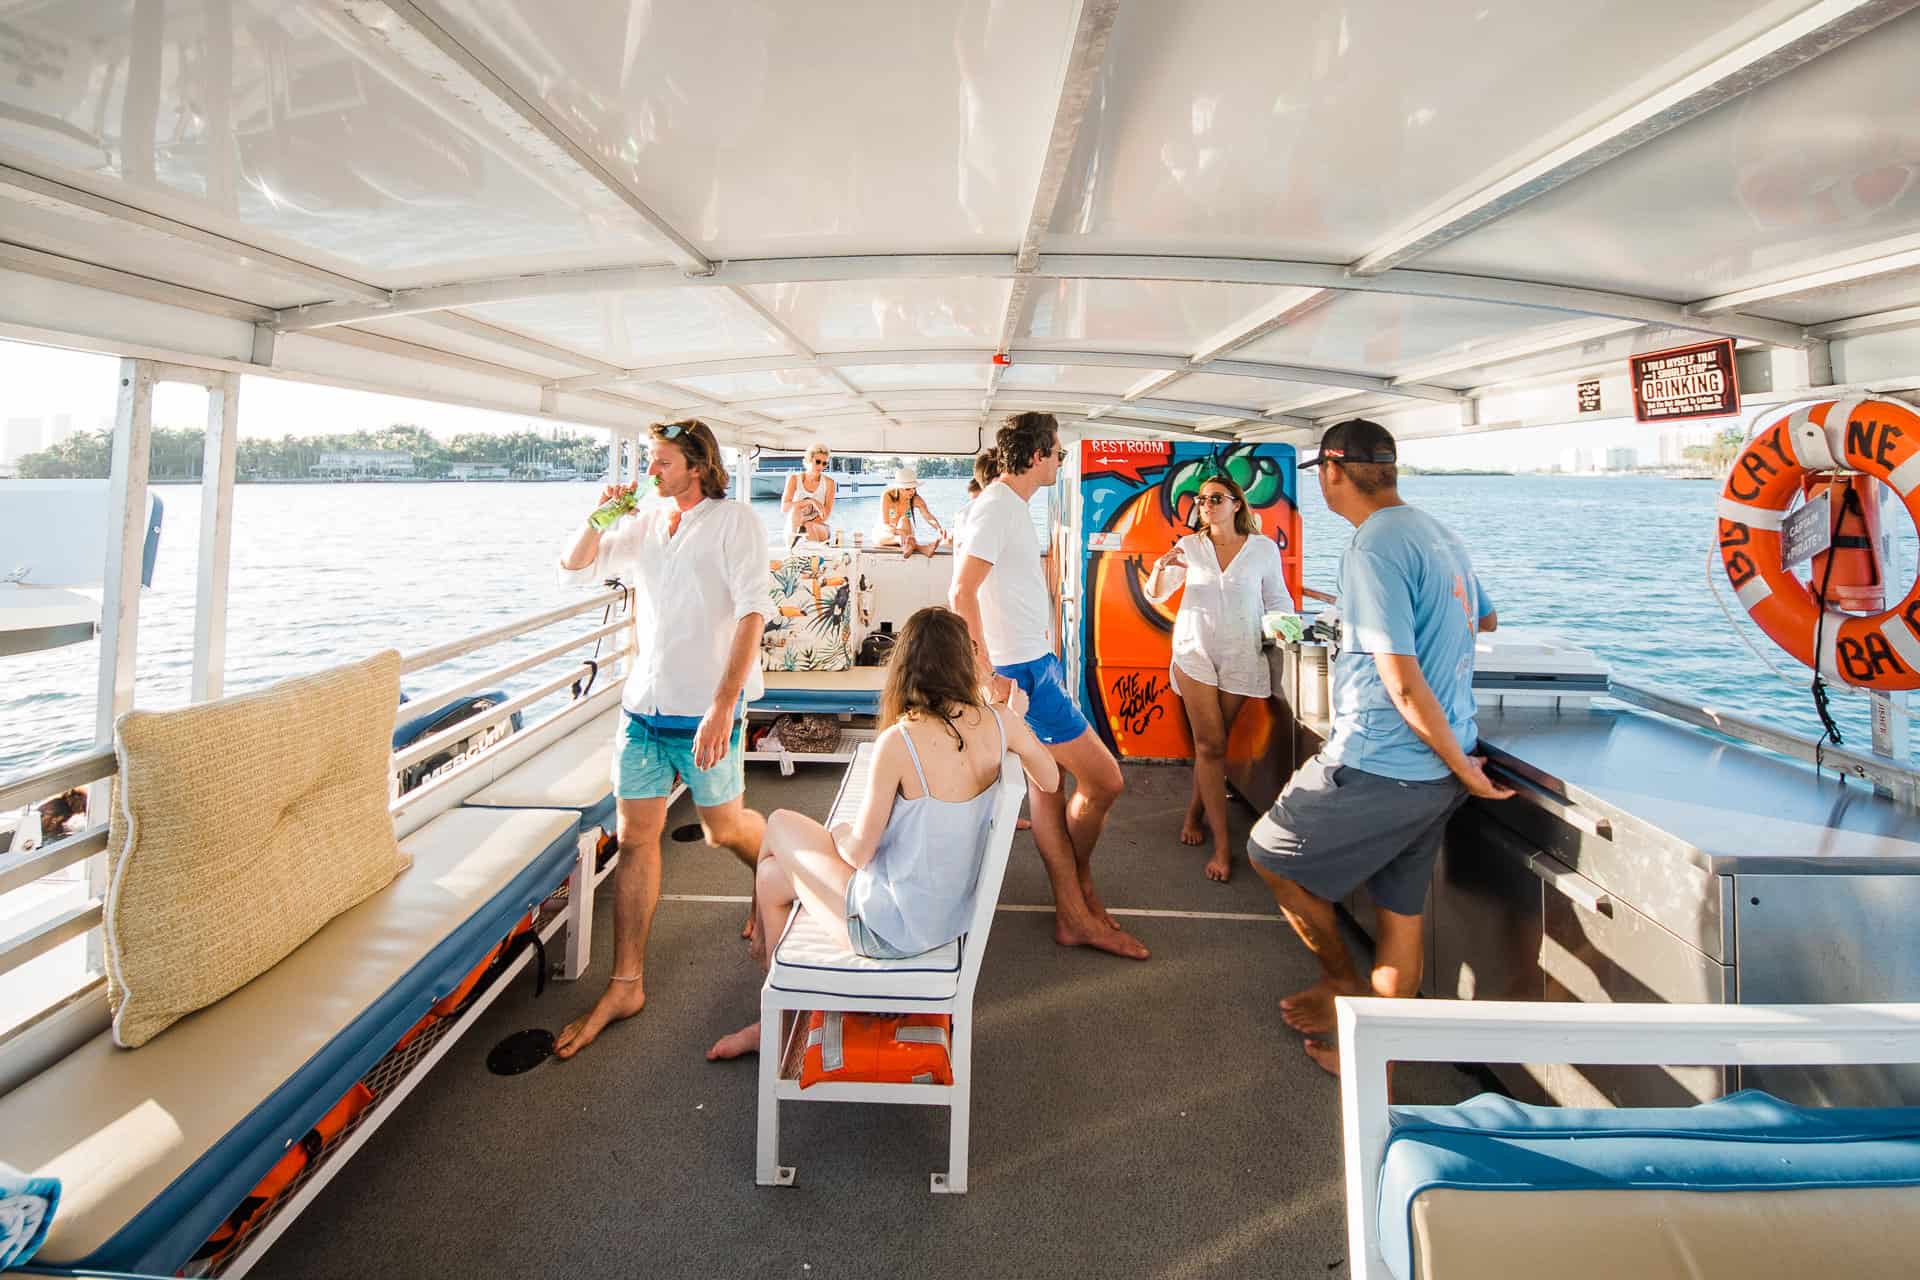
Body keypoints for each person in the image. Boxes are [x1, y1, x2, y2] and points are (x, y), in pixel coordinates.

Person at [1245, 419, 1507, 1076]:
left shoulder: (1371, 548)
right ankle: (1378, 1065)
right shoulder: (1439, 534)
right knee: (1400, 913)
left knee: (1269, 852)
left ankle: (1341, 983)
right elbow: (1486, 618)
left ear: (1333, 472)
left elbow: (1400, 678)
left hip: (1381, 763)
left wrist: (1461, 769)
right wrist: (1456, 764)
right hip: (1433, 773)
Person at [706, 606, 1060, 1060]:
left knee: (777, 823)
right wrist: (1016, 721)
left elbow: (857, 855)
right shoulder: (998, 722)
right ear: (963, 662)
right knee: (773, 877)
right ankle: (775, 1014)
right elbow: (1049, 779)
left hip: (889, 930)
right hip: (947, 915)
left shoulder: (901, 740)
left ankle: (772, 1000)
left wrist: (837, 834)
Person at [554, 418, 774, 1059]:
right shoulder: (647, 521)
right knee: (635, 839)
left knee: (723, 829)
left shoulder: (735, 523)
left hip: (706, 712)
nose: (651, 473)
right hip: (642, 714)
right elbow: (573, 568)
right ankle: (627, 984)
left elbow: (753, 612)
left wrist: (722, 707)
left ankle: (772, 878)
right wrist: (598, 519)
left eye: (663, 463)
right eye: (651, 462)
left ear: (698, 467)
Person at [951, 412, 1149, 961]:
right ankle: (1079, 888)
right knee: (1105, 781)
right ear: (1037, 454)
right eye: (1059, 453)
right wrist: (985, 671)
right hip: (1022, 674)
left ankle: (1073, 912)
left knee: (1048, 789)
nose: (1062, 461)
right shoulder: (996, 507)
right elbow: (960, 592)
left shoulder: (1007, 506)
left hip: (1035, 663)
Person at [1143, 470, 1290, 883]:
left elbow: (1277, 598)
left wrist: (1285, 627)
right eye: (1201, 500)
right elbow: (1157, 592)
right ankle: (1224, 847)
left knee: (1214, 748)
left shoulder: (1261, 550)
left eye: (1215, 498)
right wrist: (1160, 567)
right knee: (1210, 743)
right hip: (1195, 651)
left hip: (1241, 652)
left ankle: (1194, 813)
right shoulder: (1189, 546)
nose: (1205, 506)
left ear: (1237, 503)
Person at [874, 466, 945, 558]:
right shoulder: (887, 496)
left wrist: (938, 528)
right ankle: (920, 548)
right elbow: (885, 524)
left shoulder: (916, 499)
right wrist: (898, 532)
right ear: (899, 488)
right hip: (888, 532)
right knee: (880, 537)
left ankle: (906, 543)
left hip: (906, 533)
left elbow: (928, 516)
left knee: (905, 519)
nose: (912, 491)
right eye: (908, 488)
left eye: (914, 488)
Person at [782, 443, 835, 543]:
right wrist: (811, 501)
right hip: (795, 525)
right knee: (795, 511)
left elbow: (825, 515)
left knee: (808, 527)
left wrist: (805, 524)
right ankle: (798, 550)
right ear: (808, 461)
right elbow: (784, 507)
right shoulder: (794, 479)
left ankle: (807, 553)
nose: (821, 466)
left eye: (824, 463)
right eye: (818, 462)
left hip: (818, 526)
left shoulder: (829, 483)